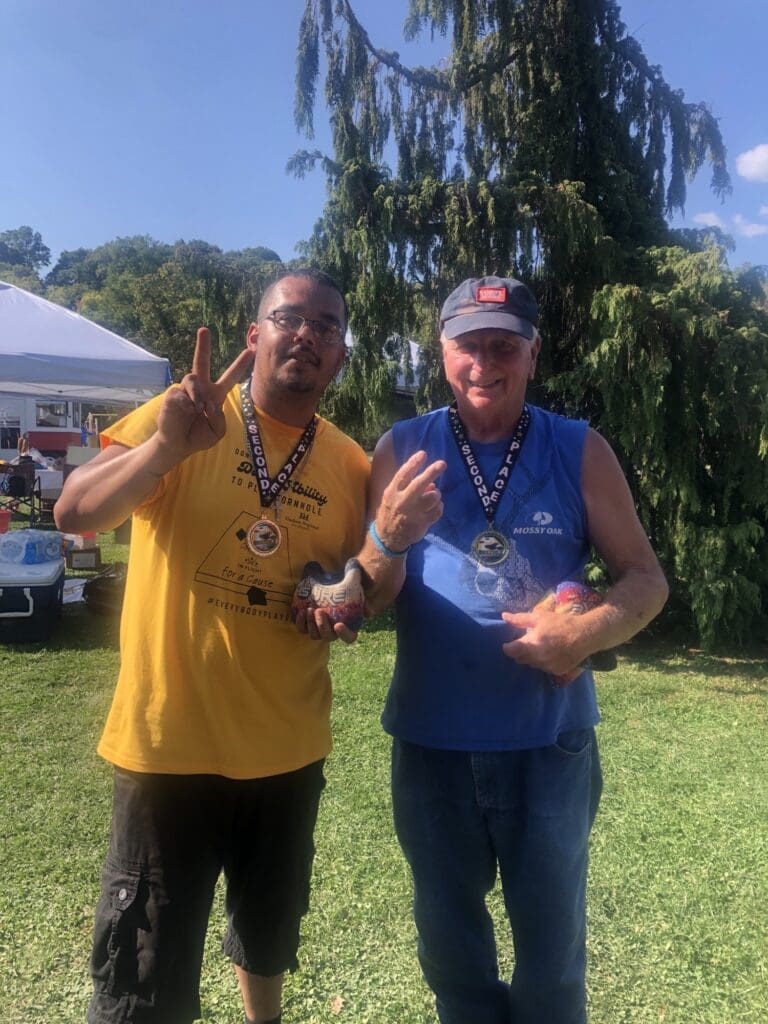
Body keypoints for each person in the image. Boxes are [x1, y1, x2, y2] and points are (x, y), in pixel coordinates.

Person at [54, 268, 370, 1024]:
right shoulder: (185, 416)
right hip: (170, 747)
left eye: (327, 326)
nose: (308, 334)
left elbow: (367, 575)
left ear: (341, 357)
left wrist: (347, 591)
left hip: (288, 750)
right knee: (143, 970)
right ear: (254, 335)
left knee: (268, 930)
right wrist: (164, 450)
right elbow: (74, 510)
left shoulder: (352, 464)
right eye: (290, 317)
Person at [357, 276, 669, 1024]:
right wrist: (384, 539)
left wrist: (585, 631)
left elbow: (645, 580)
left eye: (504, 345)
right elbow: (369, 597)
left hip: (547, 744)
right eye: (469, 345)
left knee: (551, 961)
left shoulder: (578, 447)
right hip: (432, 744)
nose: (484, 363)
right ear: (442, 353)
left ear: (532, 353)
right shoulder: (401, 447)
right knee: (450, 952)